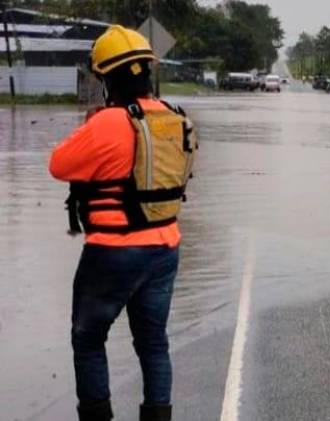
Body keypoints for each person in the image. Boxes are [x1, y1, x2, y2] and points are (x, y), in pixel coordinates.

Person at [49, 25, 197, 421]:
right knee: (153, 343)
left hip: (113, 251)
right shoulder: (176, 117)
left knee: (88, 338)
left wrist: (90, 125)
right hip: (165, 247)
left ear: (106, 78)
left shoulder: (107, 123)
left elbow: (58, 165)